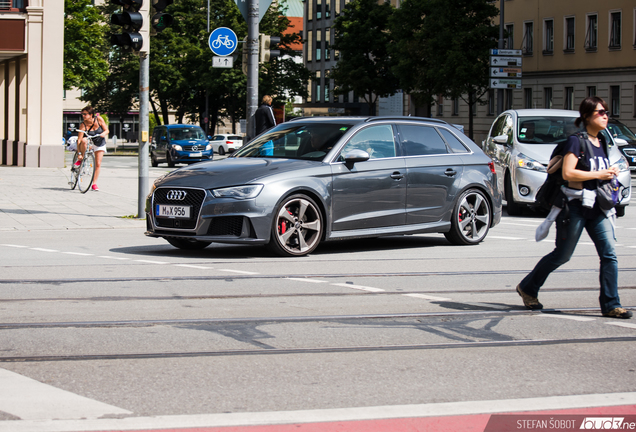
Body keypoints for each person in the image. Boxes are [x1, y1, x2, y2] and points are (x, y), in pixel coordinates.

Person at [516, 96, 632, 319]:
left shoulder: (602, 143)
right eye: (600, 112)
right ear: (587, 116)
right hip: (574, 206)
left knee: (609, 255)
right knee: (562, 255)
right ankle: (528, 288)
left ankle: (611, 304)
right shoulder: (575, 141)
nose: (606, 116)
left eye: (606, 112)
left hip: (597, 207)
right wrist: (599, 174)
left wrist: (609, 175)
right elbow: (569, 173)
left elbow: (597, 173)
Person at [75, 105, 109, 192]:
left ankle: (94, 184)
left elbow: (107, 130)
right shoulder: (83, 125)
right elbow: (79, 140)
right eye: (82, 114)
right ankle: (81, 158)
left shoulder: (99, 119)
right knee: (83, 140)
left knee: (98, 164)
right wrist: (79, 153)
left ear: (91, 114)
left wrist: (104, 134)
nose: (83, 116)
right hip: (89, 142)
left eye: (85, 114)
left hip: (99, 142)